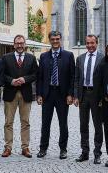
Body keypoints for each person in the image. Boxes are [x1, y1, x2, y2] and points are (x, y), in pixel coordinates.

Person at [36, 31, 75, 159]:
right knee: (45, 123)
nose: (55, 41)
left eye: (57, 39)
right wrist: (39, 94)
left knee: (63, 123)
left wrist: (70, 94)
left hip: (62, 94)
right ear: (49, 40)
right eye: (52, 39)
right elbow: (40, 77)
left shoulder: (68, 56)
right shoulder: (44, 56)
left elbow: (72, 77)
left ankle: (63, 149)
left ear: (61, 39)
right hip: (47, 94)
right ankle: (43, 148)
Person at [0, 35, 38, 158]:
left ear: (25, 44)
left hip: (26, 93)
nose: (20, 45)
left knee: (25, 122)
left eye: (22, 43)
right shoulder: (6, 58)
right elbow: (1, 75)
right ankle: (8, 147)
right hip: (10, 93)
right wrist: (11, 81)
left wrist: (25, 79)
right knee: (8, 122)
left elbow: (35, 74)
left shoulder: (31, 58)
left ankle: (25, 147)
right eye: (17, 43)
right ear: (14, 44)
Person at [73, 34, 104, 164]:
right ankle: (84, 152)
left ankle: (97, 153)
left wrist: (103, 97)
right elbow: (76, 78)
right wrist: (76, 96)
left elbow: (104, 80)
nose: (90, 45)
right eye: (88, 43)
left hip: (97, 96)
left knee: (97, 125)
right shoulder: (80, 58)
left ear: (97, 43)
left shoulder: (103, 58)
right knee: (83, 125)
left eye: (92, 43)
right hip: (83, 95)